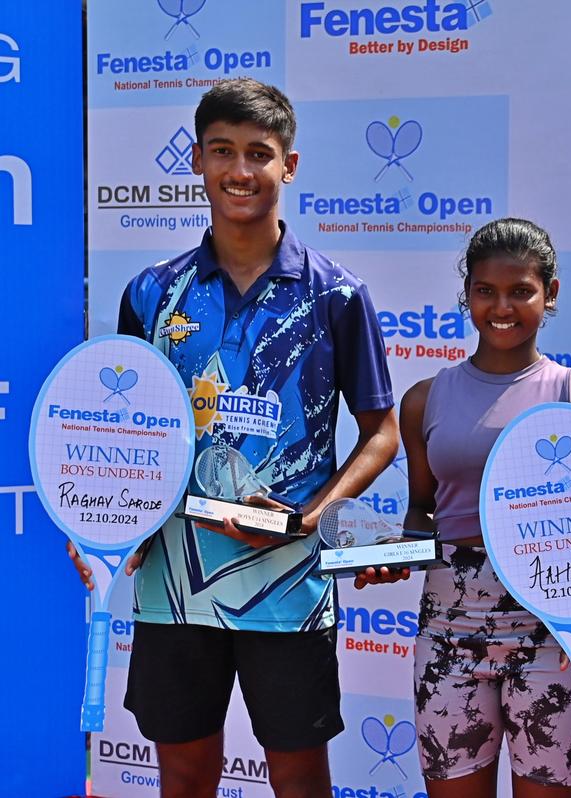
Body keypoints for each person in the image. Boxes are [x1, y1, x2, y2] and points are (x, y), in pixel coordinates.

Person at [68, 78, 398, 798]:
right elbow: (130, 435)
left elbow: (382, 434)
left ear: (290, 165)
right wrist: (102, 521)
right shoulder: (154, 293)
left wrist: (310, 517)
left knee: (299, 776)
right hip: (173, 584)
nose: (240, 170)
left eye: (258, 152)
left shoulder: (336, 296)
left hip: (289, 583)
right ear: (197, 160)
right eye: (223, 151)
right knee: (184, 773)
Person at [355, 217, 571, 798]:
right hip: (447, 630)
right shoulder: (425, 399)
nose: (502, 306)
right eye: (485, 291)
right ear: (466, 294)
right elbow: (423, 511)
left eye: (521, 290)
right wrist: (398, 553)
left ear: (550, 294)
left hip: (551, 632)